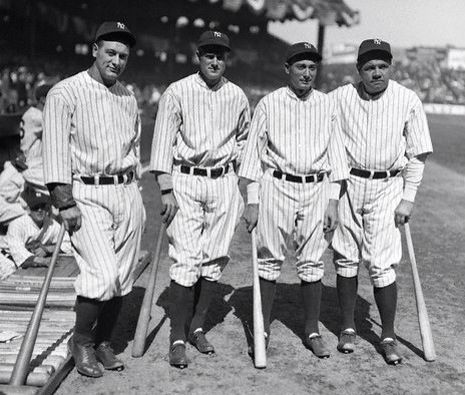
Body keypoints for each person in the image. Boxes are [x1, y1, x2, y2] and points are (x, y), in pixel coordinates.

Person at [42, 21, 145, 377]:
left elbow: (134, 147)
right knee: (101, 274)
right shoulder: (65, 92)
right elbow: (54, 152)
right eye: (111, 53)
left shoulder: (128, 96)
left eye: (123, 56)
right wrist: (64, 201)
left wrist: (137, 194)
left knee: (124, 274)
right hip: (87, 192)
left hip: (126, 190)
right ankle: (82, 342)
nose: (116, 61)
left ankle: (103, 341)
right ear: (95, 49)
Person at [239, 42, 349, 358]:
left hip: (317, 187)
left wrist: (333, 201)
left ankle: (312, 329)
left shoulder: (328, 105)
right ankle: (261, 327)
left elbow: (337, 157)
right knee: (270, 256)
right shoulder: (268, 104)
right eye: (301, 66)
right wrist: (252, 200)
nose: (307, 73)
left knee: (313, 259)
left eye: (312, 67)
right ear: (287, 69)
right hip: (277, 184)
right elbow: (251, 159)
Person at [150, 30, 250, 368]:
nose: (215, 60)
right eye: (209, 54)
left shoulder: (237, 95)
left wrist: (247, 188)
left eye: (220, 55)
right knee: (186, 257)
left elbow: (245, 141)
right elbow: (162, 142)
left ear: (226, 59)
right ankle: (177, 336)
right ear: (198, 56)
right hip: (186, 179)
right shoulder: (177, 91)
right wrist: (166, 188)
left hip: (224, 182)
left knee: (215, 256)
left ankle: (196, 327)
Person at [329, 39, 433, 364]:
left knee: (382, 263)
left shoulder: (407, 99)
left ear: (391, 67)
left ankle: (387, 335)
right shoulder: (340, 98)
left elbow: (417, 154)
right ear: (358, 70)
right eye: (370, 67)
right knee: (345, 256)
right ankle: (347, 327)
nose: (377, 73)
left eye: (382, 66)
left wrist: (408, 199)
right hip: (348, 182)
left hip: (388, 185)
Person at [4, 186, 72, 271]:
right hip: (6, 259)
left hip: (32, 262)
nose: (40, 210)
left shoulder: (51, 224)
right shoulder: (17, 224)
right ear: (28, 209)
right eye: (35, 207)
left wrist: (47, 249)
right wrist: (43, 261)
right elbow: (18, 252)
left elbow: (69, 244)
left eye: (43, 206)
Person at [19, 82, 54, 194]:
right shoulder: (37, 116)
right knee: (59, 189)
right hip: (32, 165)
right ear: (43, 99)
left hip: (33, 163)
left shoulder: (33, 113)